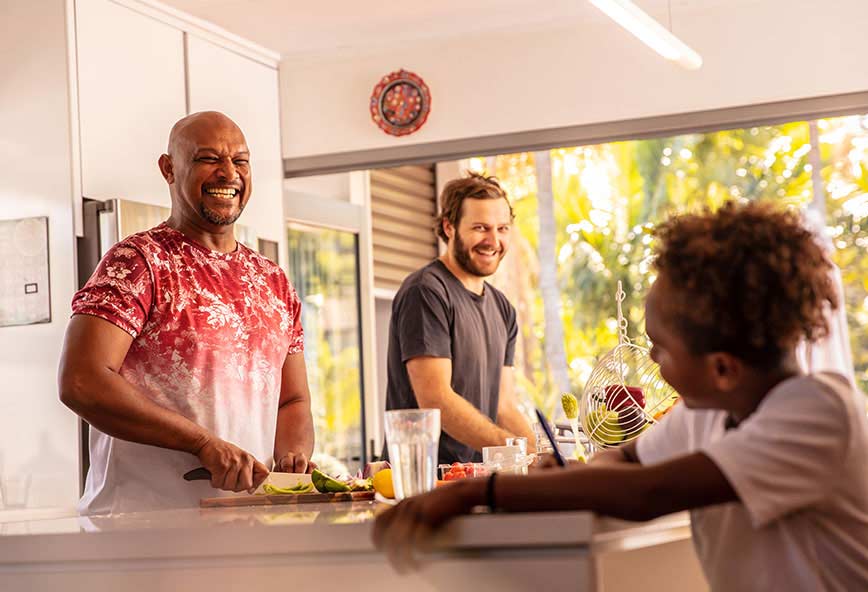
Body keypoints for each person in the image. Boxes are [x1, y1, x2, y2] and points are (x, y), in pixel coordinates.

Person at [373, 201, 868, 591]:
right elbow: (629, 459)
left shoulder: (819, 412)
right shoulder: (713, 412)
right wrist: (565, 471)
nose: (651, 358)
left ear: (722, 368)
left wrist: (475, 491)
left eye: (662, 347)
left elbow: (648, 491)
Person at [58, 111, 315, 514]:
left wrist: (292, 462)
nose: (228, 174)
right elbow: (81, 380)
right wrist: (202, 443)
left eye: (240, 161)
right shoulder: (138, 262)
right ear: (169, 168)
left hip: (244, 528)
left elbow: (293, 401)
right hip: (142, 530)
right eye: (208, 159)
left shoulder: (273, 280)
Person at [384, 172, 535, 465]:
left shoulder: (502, 308)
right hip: (425, 482)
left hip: (478, 479)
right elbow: (436, 400)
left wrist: (543, 457)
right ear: (449, 227)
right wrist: (518, 452)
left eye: (502, 228)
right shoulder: (426, 292)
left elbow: (504, 407)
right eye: (480, 228)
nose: (493, 240)